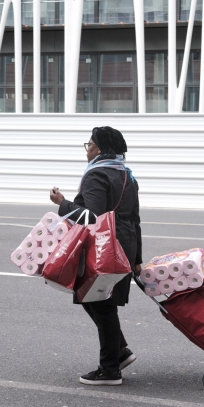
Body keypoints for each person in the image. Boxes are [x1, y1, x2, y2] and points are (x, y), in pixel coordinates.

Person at [49, 126, 142, 386]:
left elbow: (91, 216)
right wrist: (137, 257)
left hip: (104, 247)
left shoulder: (97, 175)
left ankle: (110, 369)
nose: (86, 148)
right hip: (125, 244)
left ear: (99, 149)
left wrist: (63, 203)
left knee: (101, 304)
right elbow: (135, 219)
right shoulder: (127, 175)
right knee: (95, 300)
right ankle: (119, 351)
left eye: (88, 144)